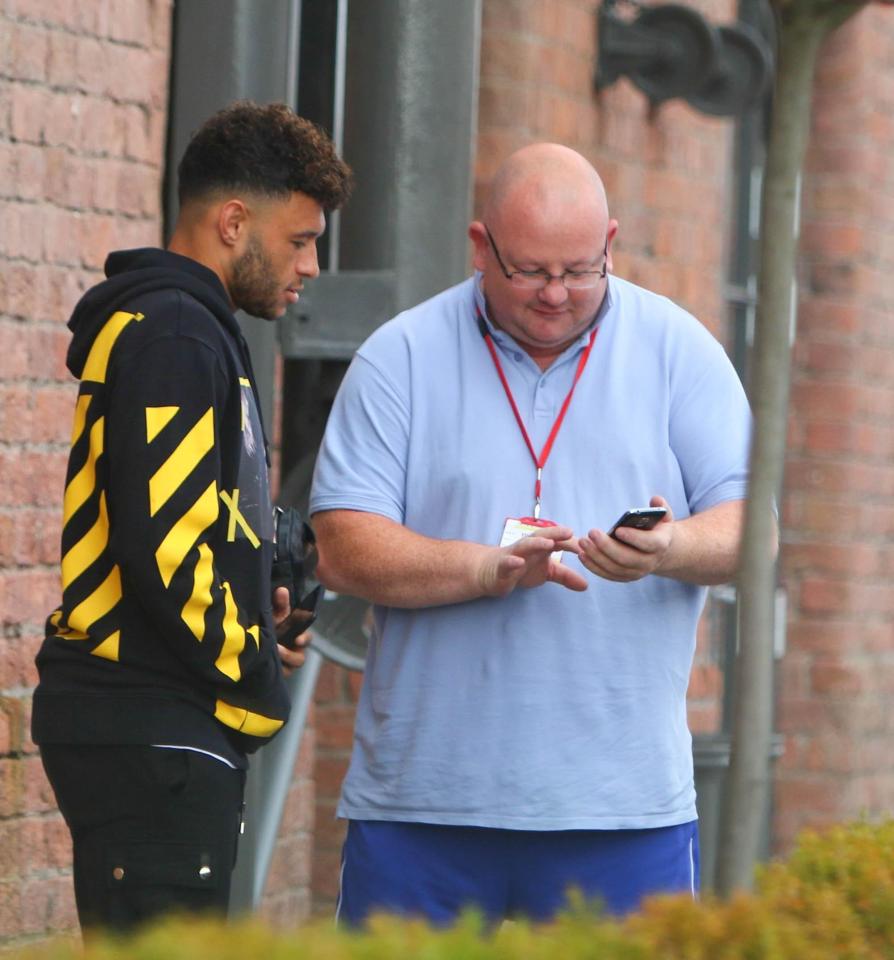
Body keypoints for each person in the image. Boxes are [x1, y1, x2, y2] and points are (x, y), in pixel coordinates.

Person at [309, 143, 762, 927]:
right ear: (481, 246)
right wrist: (481, 569)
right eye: (529, 271)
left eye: (581, 270)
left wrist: (670, 549)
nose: (557, 295)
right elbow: (343, 545)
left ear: (611, 244)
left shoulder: (682, 352)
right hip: (425, 808)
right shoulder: (401, 356)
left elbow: (757, 531)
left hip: (624, 813)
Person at [31, 100, 352, 933]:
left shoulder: (182, 327)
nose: (312, 265)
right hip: (152, 724)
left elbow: (184, 528)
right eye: (300, 239)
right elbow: (165, 550)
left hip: (153, 719)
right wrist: (253, 669)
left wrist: (254, 610)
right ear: (233, 220)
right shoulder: (176, 333)